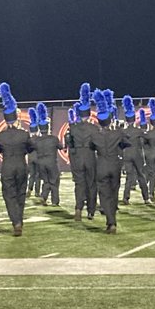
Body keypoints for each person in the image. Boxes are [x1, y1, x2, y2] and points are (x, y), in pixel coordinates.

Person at [0, 83, 33, 236]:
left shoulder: (0, 136)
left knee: (9, 195)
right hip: (21, 165)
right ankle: (20, 220)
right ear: (16, 119)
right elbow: (30, 148)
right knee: (20, 193)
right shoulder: (24, 134)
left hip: (7, 165)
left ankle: (15, 221)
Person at [91, 89, 128, 234]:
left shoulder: (95, 136)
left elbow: (91, 146)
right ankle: (112, 220)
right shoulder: (117, 134)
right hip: (114, 165)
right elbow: (127, 142)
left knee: (104, 195)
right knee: (113, 194)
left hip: (101, 166)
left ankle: (111, 221)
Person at [66, 83, 98, 222]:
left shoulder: (73, 128)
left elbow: (70, 145)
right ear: (89, 114)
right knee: (91, 184)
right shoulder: (94, 128)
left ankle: (78, 208)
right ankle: (91, 211)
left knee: (79, 184)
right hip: (90, 157)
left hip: (78, 157)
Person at [30, 103, 62, 206]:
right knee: (54, 182)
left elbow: (31, 148)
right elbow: (61, 147)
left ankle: (44, 197)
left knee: (46, 181)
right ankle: (55, 201)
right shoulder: (53, 139)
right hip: (51, 162)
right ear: (48, 128)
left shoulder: (36, 140)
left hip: (41, 163)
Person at [120, 96, 148, 204]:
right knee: (141, 175)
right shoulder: (138, 131)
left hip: (127, 155)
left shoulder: (124, 132)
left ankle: (125, 197)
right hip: (137, 155)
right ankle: (146, 198)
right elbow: (145, 140)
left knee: (129, 177)